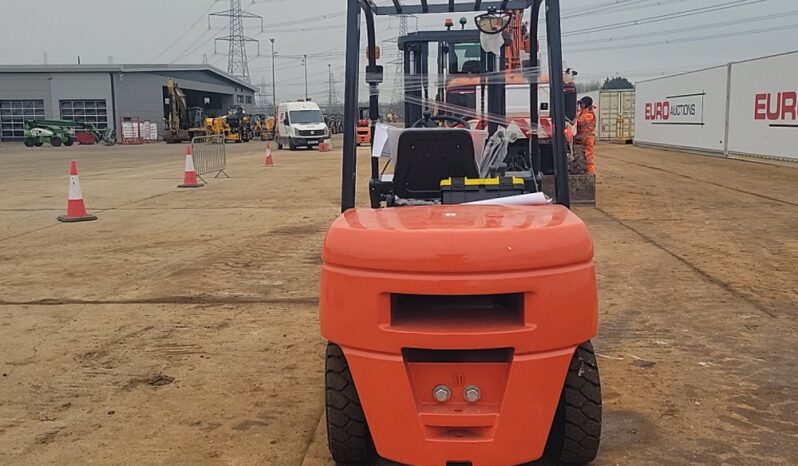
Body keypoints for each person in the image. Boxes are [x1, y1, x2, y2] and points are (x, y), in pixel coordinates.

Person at [575, 96, 597, 174]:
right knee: (583, 156)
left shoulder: (589, 114)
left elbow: (580, 122)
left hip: (588, 139)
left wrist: (574, 118)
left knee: (588, 156)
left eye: (582, 104)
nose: (581, 105)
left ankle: (590, 174)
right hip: (582, 138)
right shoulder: (583, 113)